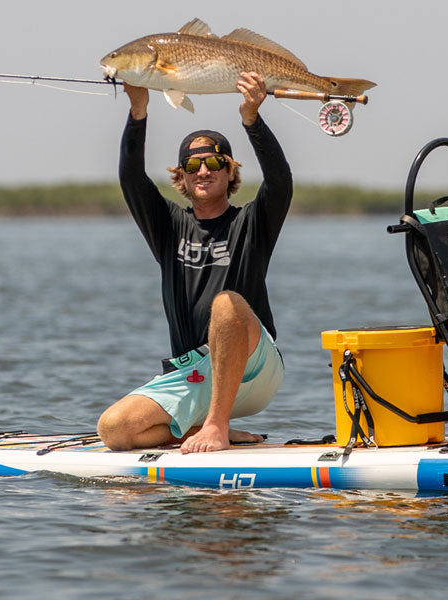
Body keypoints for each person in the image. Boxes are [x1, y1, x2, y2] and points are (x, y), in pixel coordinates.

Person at [96, 71, 292, 454]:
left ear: (230, 171)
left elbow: (280, 181)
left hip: (254, 366)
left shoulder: (252, 222)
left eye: (214, 162)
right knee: (115, 430)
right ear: (181, 177)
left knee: (226, 304)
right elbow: (132, 178)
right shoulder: (168, 226)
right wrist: (139, 111)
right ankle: (200, 429)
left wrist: (252, 119)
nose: (203, 170)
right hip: (194, 372)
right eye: (192, 164)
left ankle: (217, 425)